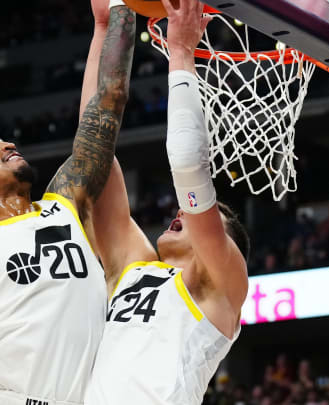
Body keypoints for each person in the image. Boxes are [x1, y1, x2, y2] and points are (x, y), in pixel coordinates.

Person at [0, 0, 136, 403]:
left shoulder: (65, 204)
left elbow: (109, 102)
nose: (8, 144)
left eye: (4, 140)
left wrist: (121, 9)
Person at [84, 0, 249, 403]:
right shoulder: (133, 268)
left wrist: (181, 54)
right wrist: (104, 29)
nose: (182, 213)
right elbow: (93, 150)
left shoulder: (219, 289)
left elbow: (189, 167)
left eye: (213, 219)